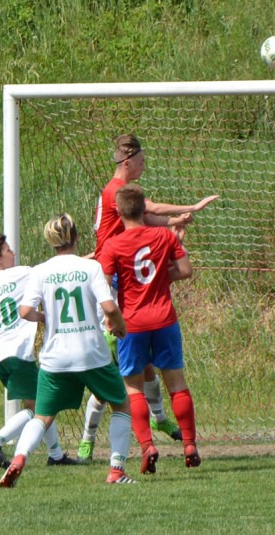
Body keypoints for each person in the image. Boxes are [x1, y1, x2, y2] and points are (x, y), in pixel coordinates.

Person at [79, 133, 219, 462]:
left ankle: (150, 434)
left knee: (139, 376)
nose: (144, 166)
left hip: (129, 309)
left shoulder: (125, 229)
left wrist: (173, 221)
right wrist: (190, 208)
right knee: (119, 377)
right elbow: (153, 216)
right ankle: (91, 438)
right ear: (127, 162)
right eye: (141, 162)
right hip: (137, 306)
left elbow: (146, 215)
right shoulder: (115, 192)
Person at [0, 214, 136, 487]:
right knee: (121, 403)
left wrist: (45, 318)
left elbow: (24, 311)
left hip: (55, 356)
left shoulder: (40, 271)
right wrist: (120, 326)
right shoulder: (91, 267)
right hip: (91, 352)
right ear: (76, 236)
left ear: (51, 241)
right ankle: (116, 470)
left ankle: (19, 459)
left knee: (43, 416)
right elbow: (109, 307)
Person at [99, 183, 201, 473]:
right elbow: (185, 270)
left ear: (119, 212)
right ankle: (189, 444)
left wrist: (111, 318)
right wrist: (161, 279)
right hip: (165, 319)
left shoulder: (113, 245)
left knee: (134, 388)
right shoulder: (163, 236)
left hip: (132, 323)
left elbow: (104, 288)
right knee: (176, 384)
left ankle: (148, 447)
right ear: (144, 209)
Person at [0, 234, 76, 468]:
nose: (13, 253)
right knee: (40, 407)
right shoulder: (19, 274)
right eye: (8, 250)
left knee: (38, 403)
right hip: (17, 352)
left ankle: (56, 455)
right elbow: (52, 270)